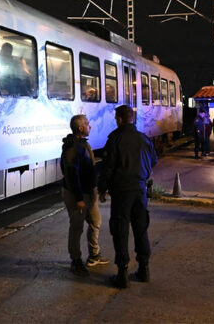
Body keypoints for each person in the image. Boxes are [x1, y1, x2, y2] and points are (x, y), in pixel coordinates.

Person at [99, 105, 158, 288]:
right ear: (131, 118)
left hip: (121, 193)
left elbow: (108, 168)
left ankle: (122, 274)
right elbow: (154, 160)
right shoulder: (144, 138)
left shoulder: (114, 139)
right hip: (140, 191)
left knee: (120, 231)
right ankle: (144, 270)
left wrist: (102, 189)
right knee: (141, 229)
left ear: (119, 119)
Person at [60, 115, 109, 277]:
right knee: (77, 227)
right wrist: (79, 198)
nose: (90, 126)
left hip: (89, 192)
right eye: (87, 124)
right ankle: (76, 261)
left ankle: (94, 255)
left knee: (95, 221)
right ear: (80, 128)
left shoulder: (81, 144)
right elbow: (71, 174)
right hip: (78, 194)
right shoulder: (73, 147)